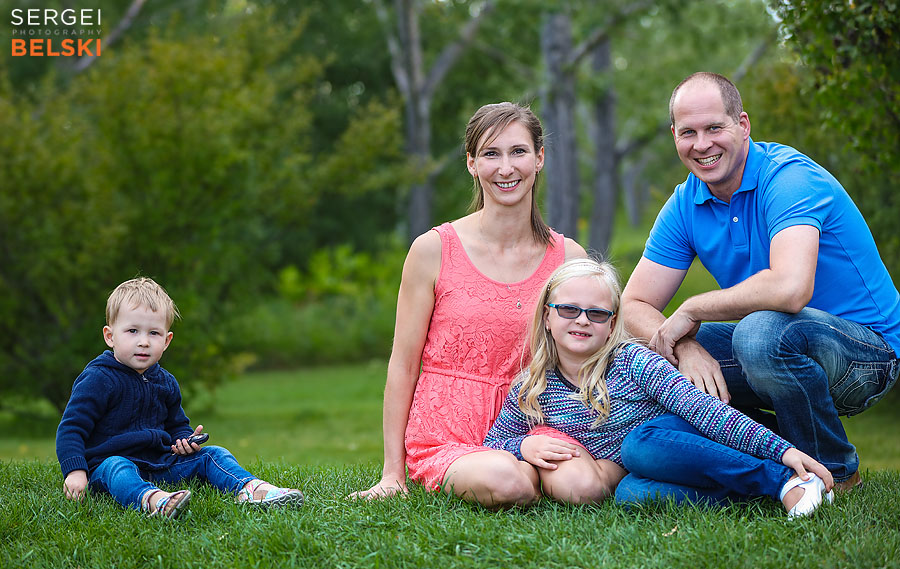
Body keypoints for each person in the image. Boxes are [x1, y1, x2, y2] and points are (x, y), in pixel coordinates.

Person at [620, 72, 900, 491]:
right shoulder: (684, 204)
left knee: (758, 334)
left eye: (715, 127)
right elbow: (631, 306)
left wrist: (693, 309)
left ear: (743, 124)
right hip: (778, 350)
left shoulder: (788, 179)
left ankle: (837, 474)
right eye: (689, 132)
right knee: (646, 358)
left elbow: (790, 288)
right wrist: (685, 346)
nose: (702, 144)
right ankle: (773, 468)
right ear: (674, 135)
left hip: (866, 355)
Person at [351, 102, 585, 507]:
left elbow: (590, 356)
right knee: (509, 482)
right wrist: (392, 472)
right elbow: (403, 363)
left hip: (535, 424)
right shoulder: (433, 250)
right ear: (472, 163)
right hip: (448, 429)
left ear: (539, 158)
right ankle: (512, 471)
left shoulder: (568, 258)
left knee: (581, 488)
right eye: (491, 154)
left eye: (518, 152)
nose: (506, 168)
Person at [484, 258, 834, 516]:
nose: (582, 320)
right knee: (631, 494)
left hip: (695, 441)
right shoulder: (532, 387)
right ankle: (765, 493)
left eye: (597, 313)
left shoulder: (631, 360)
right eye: (569, 309)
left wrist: (784, 451)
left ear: (613, 324)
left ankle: (785, 480)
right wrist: (525, 445)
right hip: (667, 469)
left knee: (639, 445)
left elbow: (705, 411)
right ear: (547, 315)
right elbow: (493, 443)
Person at [56, 277, 304, 518]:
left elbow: (176, 425)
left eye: (154, 333)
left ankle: (252, 489)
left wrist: (185, 440)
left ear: (167, 340)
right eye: (132, 331)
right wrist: (75, 471)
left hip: (160, 463)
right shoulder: (99, 378)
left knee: (213, 454)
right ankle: (154, 501)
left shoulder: (165, 381)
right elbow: (71, 428)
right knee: (118, 467)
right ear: (110, 336)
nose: (143, 342)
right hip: (107, 467)